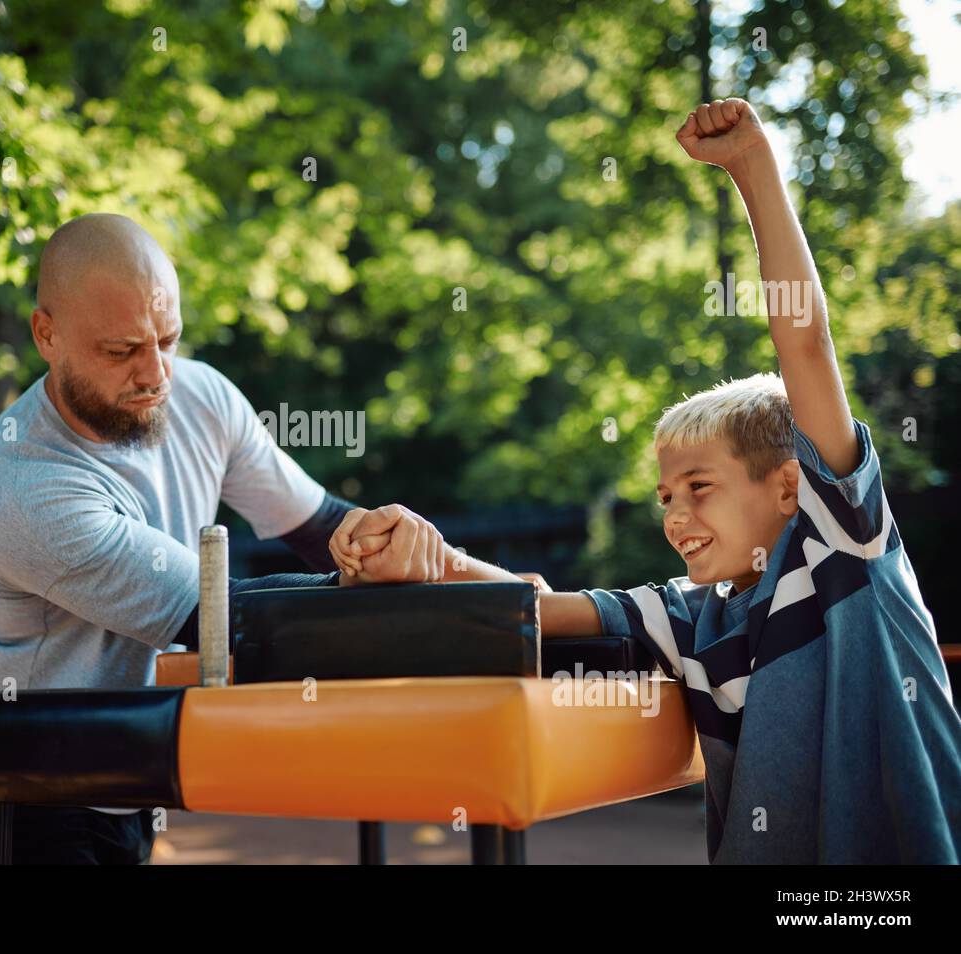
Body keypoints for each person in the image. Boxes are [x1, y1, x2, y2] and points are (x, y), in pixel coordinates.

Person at [333, 99, 961, 863]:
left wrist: (751, 167)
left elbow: (805, 338)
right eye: (666, 496)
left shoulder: (843, 546)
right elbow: (533, 607)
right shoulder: (693, 617)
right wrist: (424, 557)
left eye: (700, 488)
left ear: (789, 487)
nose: (676, 513)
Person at [0, 212, 538, 864]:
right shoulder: (16, 484)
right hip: (27, 780)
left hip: (126, 762)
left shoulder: (200, 396)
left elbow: (319, 525)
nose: (155, 376)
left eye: (167, 340)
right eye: (121, 351)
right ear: (46, 334)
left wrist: (408, 552)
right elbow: (227, 619)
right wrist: (416, 598)